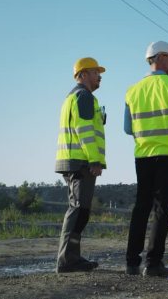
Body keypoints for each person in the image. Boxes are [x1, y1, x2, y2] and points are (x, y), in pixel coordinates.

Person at [124, 41, 168, 277]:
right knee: (162, 209)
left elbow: (127, 128)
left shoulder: (132, 91)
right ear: (162, 57)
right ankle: (153, 264)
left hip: (143, 156)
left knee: (141, 207)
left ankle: (132, 262)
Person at [55, 57, 107, 273]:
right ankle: (67, 260)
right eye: (96, 72)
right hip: (80, 162)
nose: (99, 76)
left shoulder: (73, 97)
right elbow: (84, 131)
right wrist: (94, 160)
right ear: (83, 74)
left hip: (74, 160)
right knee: (78, 209)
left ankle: (72, 258)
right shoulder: (83, 96)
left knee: (81, 210)